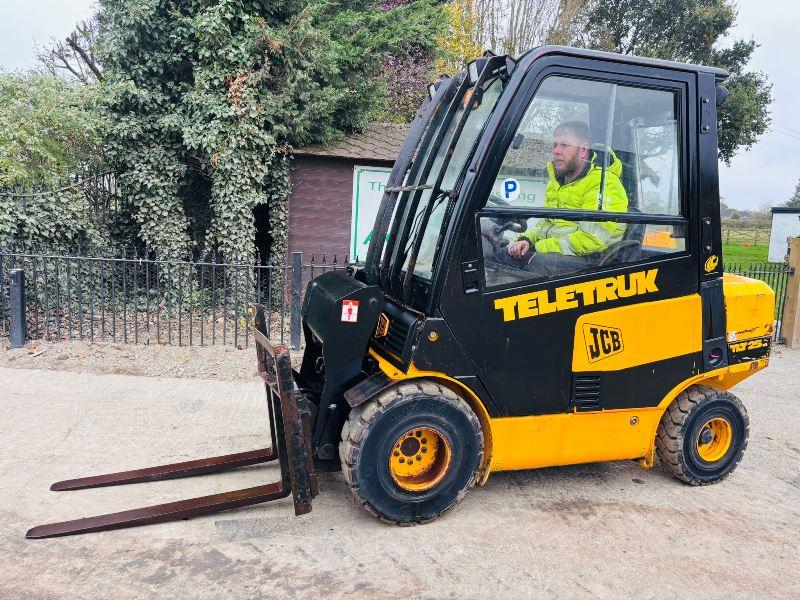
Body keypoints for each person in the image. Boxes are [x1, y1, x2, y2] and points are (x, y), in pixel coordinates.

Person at [489, 121, 628, 279]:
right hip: (559, 254)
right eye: (555, 145)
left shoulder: (604, 184)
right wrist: (526, 240)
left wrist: (535, 248)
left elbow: (591, 240)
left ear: (583, 150)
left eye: (564, 145)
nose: (556, 151)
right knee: (496, 259)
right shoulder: (557, 182)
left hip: (592, 261)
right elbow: (546, 224)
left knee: (531, 267)